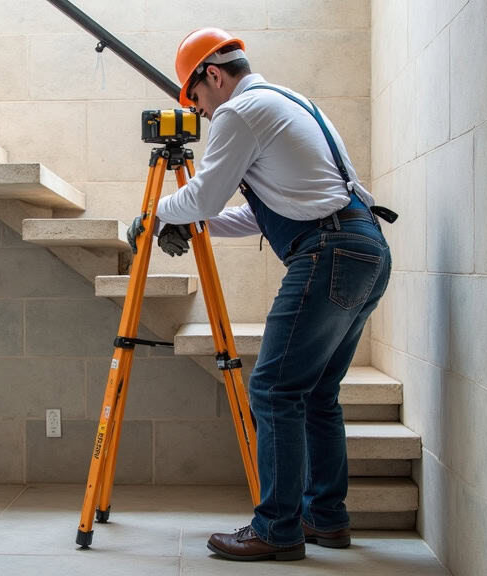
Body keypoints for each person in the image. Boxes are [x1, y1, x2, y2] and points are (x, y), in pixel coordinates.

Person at [129, 28, 393, 562]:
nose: (201, 113)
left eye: (196, 99)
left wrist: (153, 215)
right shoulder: (291, 102)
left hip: (327, 252)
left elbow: (204, 194)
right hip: (364, 248)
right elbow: (258, 212)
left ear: (213, 75)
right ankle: (326, 518)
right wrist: (194, 224)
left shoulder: (239, 112)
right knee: (316, 393)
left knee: (273, 389)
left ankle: (276, 528)